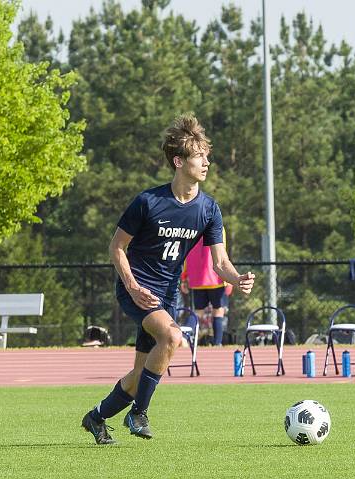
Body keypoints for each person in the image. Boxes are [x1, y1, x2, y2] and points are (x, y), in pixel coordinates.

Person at [81, 114, 254, 445]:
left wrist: (238, 278)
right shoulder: (149, 201)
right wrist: (131, 286)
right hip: (136, 291)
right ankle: (138, 414)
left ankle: (96, 417)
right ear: (179, 161)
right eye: (198, 156)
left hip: (167, 295)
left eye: (206, 156)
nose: (206, 162)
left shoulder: (208, 209)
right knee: (174, 339)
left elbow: (220, 261)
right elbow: (116, 247)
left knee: (137, 377)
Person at [180, 228, 233, 346]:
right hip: (216, 277)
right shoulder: (217, 225)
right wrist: (229, 277)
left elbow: (185, 253)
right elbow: (221, 252)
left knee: (197, 312)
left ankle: (183, 337)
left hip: (196, 279)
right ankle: (217, 343)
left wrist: (184, 277)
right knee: (218, 311)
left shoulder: (192, 227)